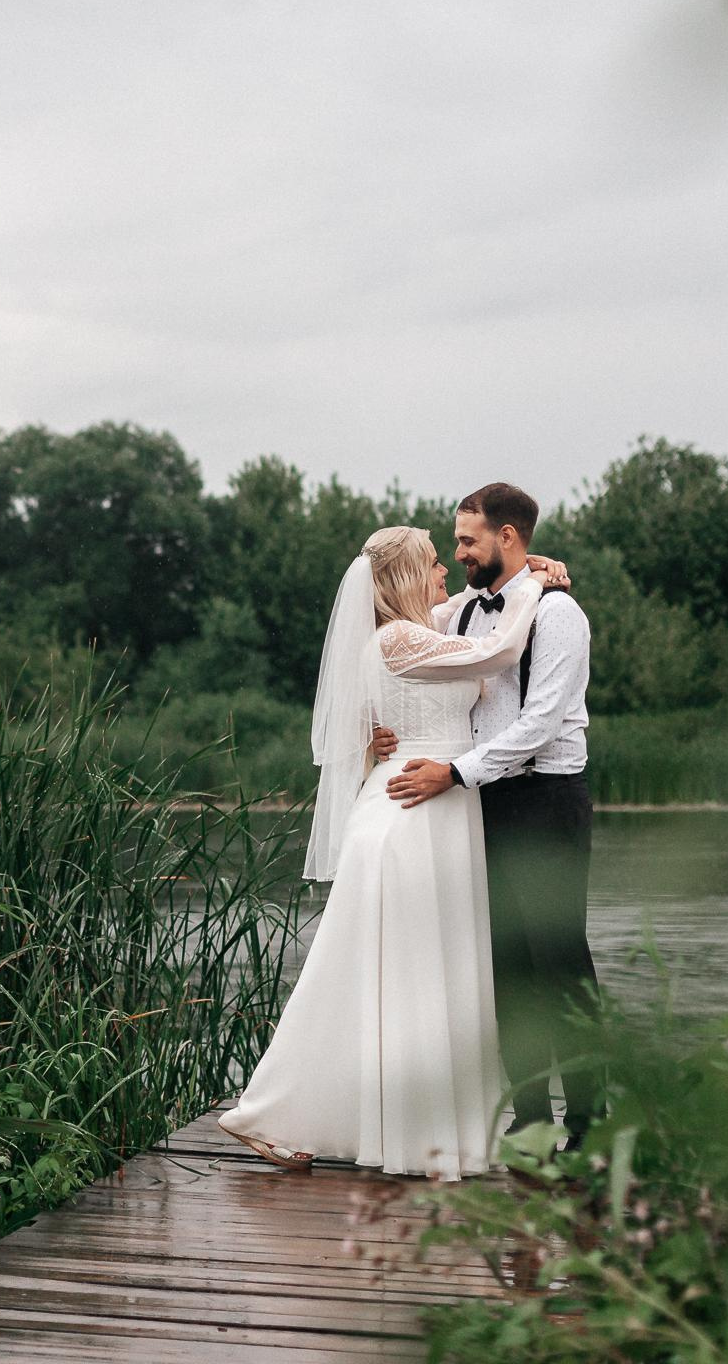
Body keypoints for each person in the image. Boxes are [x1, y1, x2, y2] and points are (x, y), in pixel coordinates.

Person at [217, 524, 560, 1180]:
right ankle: (282, 1113)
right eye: (432, 563)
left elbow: (460, 617)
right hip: (411, 816)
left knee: (403, 974)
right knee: (406, 975)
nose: (444, 572)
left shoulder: (413, 632)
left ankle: (361, 1122)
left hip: (438, 808)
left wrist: (520, 573)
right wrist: (534, 588)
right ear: (405, 576)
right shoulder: (398, 639)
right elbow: (498, 651)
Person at [381, 482, 604, 1152]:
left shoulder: (559, 615)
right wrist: (377, 731)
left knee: (559, 964)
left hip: (546, 801)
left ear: (507, 536)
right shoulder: (462, 613)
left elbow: (540, 724)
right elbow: (391, 625)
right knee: (507, 968)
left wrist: (453, 772)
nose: (459, 552)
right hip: (488, 802)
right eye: (455, 542)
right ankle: (531, 1119)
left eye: (467, 540)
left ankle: (590, 1124)